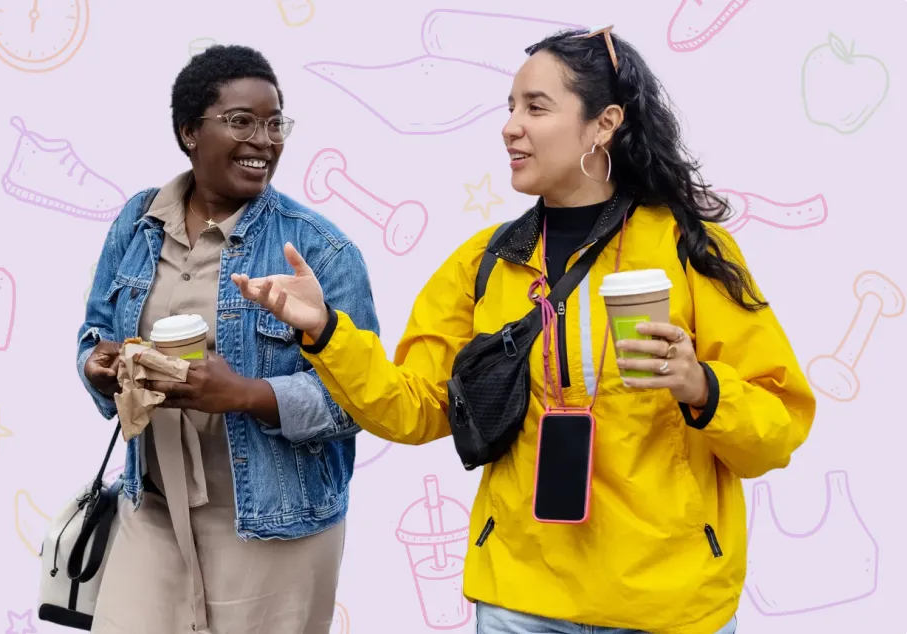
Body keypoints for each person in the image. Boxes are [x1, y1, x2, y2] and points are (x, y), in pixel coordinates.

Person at [233, 27, 816, 634]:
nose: (510, 126)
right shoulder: (484, 263)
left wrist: (702, 388)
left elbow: (777, 429)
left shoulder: (690, 248)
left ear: (603, 123)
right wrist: (327, 330)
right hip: (520, 601)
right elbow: (414, 409)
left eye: (536, 107)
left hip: (668, 604)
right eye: (510, 107)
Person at [76, 44, 379, 634]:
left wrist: (243, 393)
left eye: (274, 124)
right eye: (241, 121)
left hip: (273, 524)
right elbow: (92, 333)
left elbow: (359, 399)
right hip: (152, 510)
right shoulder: (136, 223)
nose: (263, 141)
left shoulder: (320, 249)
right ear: (189, 131)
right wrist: (97, 364)